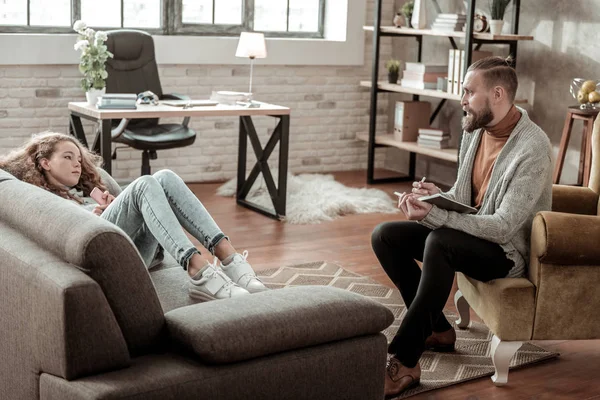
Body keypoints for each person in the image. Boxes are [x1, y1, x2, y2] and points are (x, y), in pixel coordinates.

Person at [370, 56, 553, 397]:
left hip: (506, 252)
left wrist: (434, 216)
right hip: (471, 232)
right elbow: (465, 195)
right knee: (385, 236)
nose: (462, 100)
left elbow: (502, 227)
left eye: (469, 92)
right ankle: (437, 329)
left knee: (440, 242)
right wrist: (436, 197)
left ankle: (404, 359)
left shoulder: (533, 147)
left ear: (497, 94)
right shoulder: (476, 128)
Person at [0, 132, 268, 301]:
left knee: (164, 177)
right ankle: (198, 270)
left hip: (131, 251)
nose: (76, 164)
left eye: (79, 160)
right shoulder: (39, 198)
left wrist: (107, 210)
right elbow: (63, 233)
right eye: (67, 157)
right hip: (99, 263)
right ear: (44, 162)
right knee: (144, 185)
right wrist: (95, 215)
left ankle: (229, 257)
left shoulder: (80, 193)